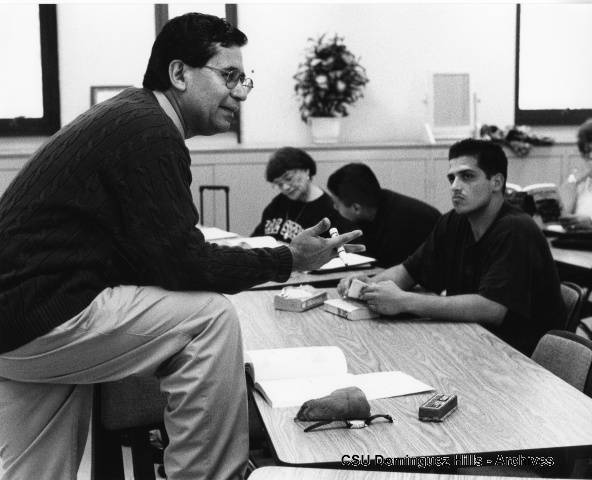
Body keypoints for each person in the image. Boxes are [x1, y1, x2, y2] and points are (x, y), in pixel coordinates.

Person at [0, 13, 363, 480]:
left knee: (35, 472)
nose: (242, 92)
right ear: (179, 74)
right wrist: (289, 258)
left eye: (245, 79)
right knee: (208, 319)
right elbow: (183, 265)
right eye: (229, 76)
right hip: (48, 310)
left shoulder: (127, 116)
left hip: (18, 317)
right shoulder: (150, 130)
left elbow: (150, 256)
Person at [338, 139, 565, 356]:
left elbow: (491, 308)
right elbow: (408, 271)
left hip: (521, 360)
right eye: (452, 178)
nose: (455, 186)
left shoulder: (517, 229)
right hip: (472, 343)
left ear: (496, 182)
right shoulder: (454, 221)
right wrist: (366, 286)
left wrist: (404, 301)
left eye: (467, 176)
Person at [327, 163, 441, 267]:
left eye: (337, 203)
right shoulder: (372, 210)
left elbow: (398, 272)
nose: (335, 207)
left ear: (356, 208)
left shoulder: (403, 222)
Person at [252, 147, 351, 242]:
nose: (285, 187)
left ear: (306, 170)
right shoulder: (278, 203)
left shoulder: (329, 210)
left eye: (289, 178)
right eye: (279, 184)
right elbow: (255, 240)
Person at [559, 118, 592, 230]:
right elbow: (563, 216)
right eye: (587, 152)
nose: (590, 157)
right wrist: (572, 182)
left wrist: (590, 224)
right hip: (578, 241)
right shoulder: (582, 182)